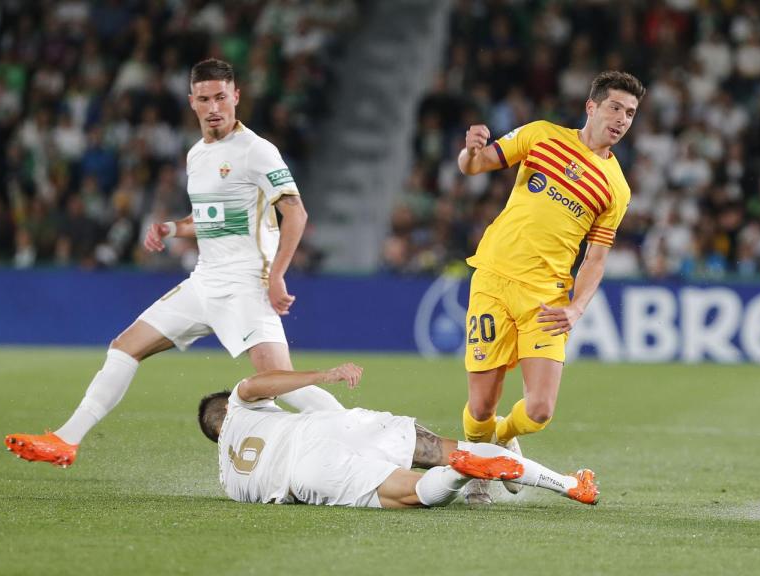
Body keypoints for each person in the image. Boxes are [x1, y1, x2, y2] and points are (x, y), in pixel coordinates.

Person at [4, 58, 339, 467]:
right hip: (204, 282)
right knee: (125, 347)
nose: (214, 106)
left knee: (282, 385)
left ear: (236, 96)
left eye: (221, 97)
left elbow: (296, 213)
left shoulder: (256, 150)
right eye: (204, 99)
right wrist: (172, 228)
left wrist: (278, 275)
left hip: (247, 285)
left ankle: (362, 432)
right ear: (191, 102)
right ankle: (65, 440)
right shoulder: (197, 154)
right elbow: (214, 218)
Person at [456, 71, 644, 503]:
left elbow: (595, 258)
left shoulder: (617, 188)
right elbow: (476, 166)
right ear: (591, 107)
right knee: (481, 405)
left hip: (546, 298)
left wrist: (577, 308)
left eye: (630, 113)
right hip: (493, 280)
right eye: (615, 107)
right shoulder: (542, 136)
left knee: (539, 411)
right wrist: (469, 153)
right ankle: (481, 469)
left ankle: (496, 444)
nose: (621, 119)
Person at [198, 364, 599, 508]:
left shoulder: (228, 481)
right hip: (332, 427)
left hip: (307, 475)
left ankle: (462, 475)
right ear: (228, 411)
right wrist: (325, 375)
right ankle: (569, 484)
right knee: (445, 449)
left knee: (414, 493)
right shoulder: (240, 405)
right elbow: (254, 384)